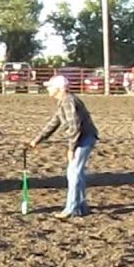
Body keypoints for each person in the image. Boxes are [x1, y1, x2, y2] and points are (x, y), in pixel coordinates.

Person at [28, 74, 100, 218]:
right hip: (84, 138)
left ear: (58, 89)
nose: (48, 90)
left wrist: (71, 148)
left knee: (73, 172)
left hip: (83, 139)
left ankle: (72, 208)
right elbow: (54, 122)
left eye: (50, 87)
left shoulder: (68, 101)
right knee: (75, 172)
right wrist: (37, 140)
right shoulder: (64, 101)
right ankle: (81, 206)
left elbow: (75, 126)